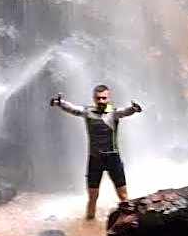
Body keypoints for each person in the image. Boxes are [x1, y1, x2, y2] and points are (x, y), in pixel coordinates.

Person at [49, 84, 142, 220]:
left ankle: (128, 225)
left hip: (113, 159)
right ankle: (89, 224)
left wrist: (134, 108)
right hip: (95, 160)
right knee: (92, 197)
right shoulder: (88, 112)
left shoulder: (114, 113)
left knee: (123, 196)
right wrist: (60, 103)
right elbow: (74, 109)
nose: (101, 101)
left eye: (104, 98)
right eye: (98, 98)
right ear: (94, 98)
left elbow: (126, 111)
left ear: (108, 98)